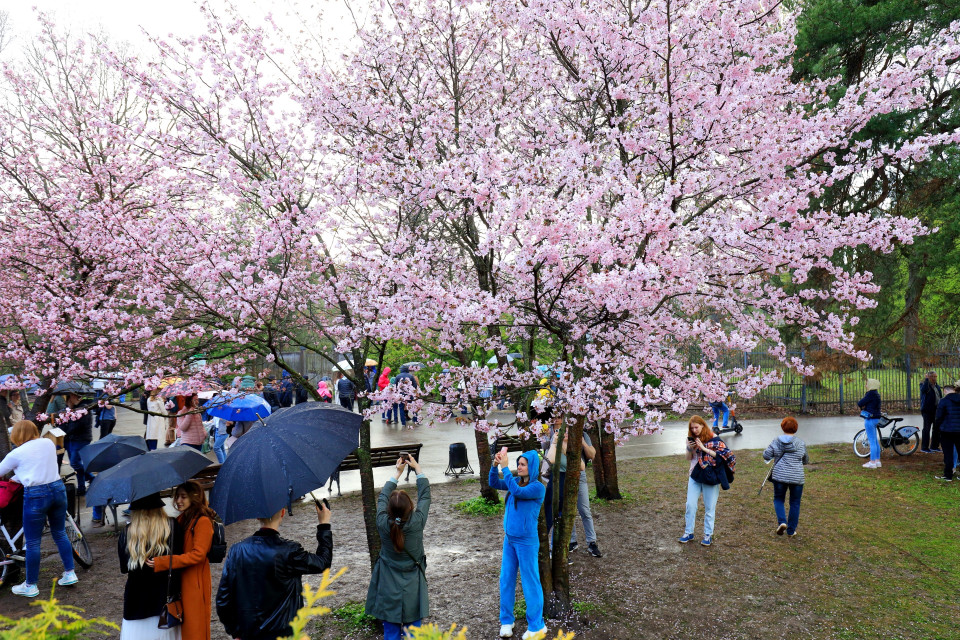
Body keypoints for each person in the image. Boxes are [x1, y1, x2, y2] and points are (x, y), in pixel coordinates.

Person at [216, 501, 333, 640]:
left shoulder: (236, 550)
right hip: (283, 634)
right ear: (283, 513)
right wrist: (324, 524)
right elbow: (322, 562)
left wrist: (236, 632)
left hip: (248, 634)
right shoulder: (289, 551)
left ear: (257, 516)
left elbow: (223, 599)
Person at [0, 420, 78, 597]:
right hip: (57, 489)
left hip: (36, 495)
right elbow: (37, 464)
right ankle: (70, 573)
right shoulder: (47, 443)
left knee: (33, 542)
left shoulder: (16, 454)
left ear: (16, 435)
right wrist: (20, 476)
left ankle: (31, 585)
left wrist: (16, 477)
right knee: (60, 533)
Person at [366, 456, 430, 639]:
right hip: (413, 582)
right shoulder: (417, 522)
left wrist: (397, 473)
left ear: (388, 509)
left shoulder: (381, 522)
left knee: (391, 632)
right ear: (410, 507)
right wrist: (418, 469)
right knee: (413, 632)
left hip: (387, 582)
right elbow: (425, 496)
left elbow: (382, 497)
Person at [489, 449, 546, 640]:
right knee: (506, 580)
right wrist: (495, 466)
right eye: (518, 464)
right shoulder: (516, 482)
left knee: (530, 583)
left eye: (523, 464)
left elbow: (518, 492)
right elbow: (494, 482)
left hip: (526, 542)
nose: (519, 467)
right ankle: (506, 621)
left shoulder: (537, 488)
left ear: (532, 467)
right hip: (510, 540)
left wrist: (505, 468)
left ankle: (537, 626)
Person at [149, 480, 217, 640]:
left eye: (183, 497)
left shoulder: (202, 521)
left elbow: (198, 555)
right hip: (183, 579)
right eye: (177, 496)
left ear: (194, 497)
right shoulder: (183, 519)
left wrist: (164, 562)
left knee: (195, 629)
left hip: (195, 582)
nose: (178, 501)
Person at [118, 493, 183, 639]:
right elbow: (180, 559)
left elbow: (124, 568)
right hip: (165, 601)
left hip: (137, 601)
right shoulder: (172, 526)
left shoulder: (127, 532)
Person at [678, 416, 734, 546]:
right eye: (692, 428)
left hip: (710, 476)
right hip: (695, 475)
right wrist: (689, 448)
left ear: (703, 425)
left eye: (696, 427)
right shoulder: (691, 439)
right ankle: (688, 532)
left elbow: (723, 456)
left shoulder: (714, 438)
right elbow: (688, 458)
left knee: (710, 507)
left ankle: (708, 534)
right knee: (690, 505)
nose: (694, 430)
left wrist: (703, 448)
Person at [762, 417, 809, 537]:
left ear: (782, 427)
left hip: (779, 476)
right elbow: (806, 460)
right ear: (796, 428)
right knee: (795, 503)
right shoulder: (800, 443)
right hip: (797, 477)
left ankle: (782, 521)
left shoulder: (776, 441)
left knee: (778, 499)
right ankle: (791, 530)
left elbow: (766, 455)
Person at [567, 430, 603, 558]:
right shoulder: (552, 432)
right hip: (561, 474)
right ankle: (572, 541)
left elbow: (592, 455)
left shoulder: (581, 433)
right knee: (567, 510)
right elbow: (545, 447)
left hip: (579, 474)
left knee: (584, 510)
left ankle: (592, 542)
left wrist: (582, 442)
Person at [60, 393, 94, 495]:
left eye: (71, 397)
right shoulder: (70, 409)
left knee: (75, 462)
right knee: (75, 463)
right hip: (72, 439)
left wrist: (67, 423)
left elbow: (75, 427)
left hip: (81, 439)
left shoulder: (83, 409)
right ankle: (85, 483)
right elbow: (62, 424)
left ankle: (88, 480)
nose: (69, 400)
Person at [934, 381, 960, 482]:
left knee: (948, 453)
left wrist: (937, 428)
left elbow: (939, 417)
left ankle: (948, 475)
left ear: (945, 391)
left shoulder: (943, 401)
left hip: (947, 430)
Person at [857, 379, 883, 469]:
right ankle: (877, 461)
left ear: (871, 385)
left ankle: (872, 462)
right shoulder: (877, 394)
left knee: (872, 441)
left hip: (870, 419)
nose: (865, 386)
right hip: (876, 418)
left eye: (867, 384)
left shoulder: (870, 394)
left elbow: (860, 403)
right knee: (875, 441)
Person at [919, 371, 943, 453]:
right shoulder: (924, 385)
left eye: (935, 376)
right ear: (928, 377)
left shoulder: (937, 386)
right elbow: (923, 390)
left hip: (936, 410)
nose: (934, 378)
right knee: (926, 429)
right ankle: (924, 447)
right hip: (927, 410)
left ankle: (934, 446)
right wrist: (926, 380)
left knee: (936, 429)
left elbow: (940, 397)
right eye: (932, 376)